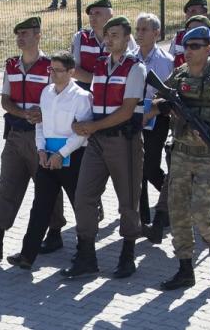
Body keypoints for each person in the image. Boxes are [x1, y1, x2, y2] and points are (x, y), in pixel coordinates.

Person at [156, 25, 210, 290]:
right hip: (182, 151)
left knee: (200, 211)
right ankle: (185, 269)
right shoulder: (180, 75)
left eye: (195, 47)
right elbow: (160, 101)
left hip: (209, 153)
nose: (189, 52)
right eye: (186, 47)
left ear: (209, 49)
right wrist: (162, 107)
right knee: (178, 212)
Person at [0, 17, 66, 261]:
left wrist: (43, 114)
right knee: (7, 185)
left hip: (42, 136)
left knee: (48, 186)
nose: (20, 38)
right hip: (15, 134)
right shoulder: (11, 65)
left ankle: (54, 233)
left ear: (38, 35)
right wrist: (23, 113)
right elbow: (5, 99)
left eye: (25, 33)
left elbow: (60, 98)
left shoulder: (50, 66)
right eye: (18, 34)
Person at [63, 15, 146, 280]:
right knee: (84, 196)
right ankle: (86, 254)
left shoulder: (135, 67)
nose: (109, 40)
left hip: (124, 141)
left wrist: (92, 127)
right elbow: (92, 100)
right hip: (97, 141)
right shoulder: (100, 65)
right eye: (107, 35)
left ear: (127, 38)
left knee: (128, 201)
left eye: (115, 35)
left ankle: (127, 254)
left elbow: (127, 111)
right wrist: (81, 123)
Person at [5, 51, 91, 270]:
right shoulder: (46, 92)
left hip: (73, 158)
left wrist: (61, 154)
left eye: (58, 70)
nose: (53, 74)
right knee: (40, 207)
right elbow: (40, 124)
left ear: (71, 72)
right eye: (51, 69)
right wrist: (41, 150)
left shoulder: (81, 97)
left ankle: (85, 255)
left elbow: (81, 133)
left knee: (79, 207)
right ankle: (27, 255)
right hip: (47, 159)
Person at [132, 12, 175, 237]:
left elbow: (168, 95)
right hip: (134, 119)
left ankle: (172, 201)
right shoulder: (130, 57)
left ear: (156, 33)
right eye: (137, 29)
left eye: (144, 29)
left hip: (157, 121)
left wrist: (152, 111)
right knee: (137, 170)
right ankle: (143, 220)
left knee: (149, 167)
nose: (139, 34)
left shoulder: (165, 61)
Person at [71, 0, 137, 91]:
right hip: (85, 91)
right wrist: (99, 81)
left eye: (97, 13)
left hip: (116, 90)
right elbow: (73, 69)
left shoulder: (124, 37)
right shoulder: (80, 37)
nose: (92, 18)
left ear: (110, 16)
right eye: (90, 14)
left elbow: (133, 65)